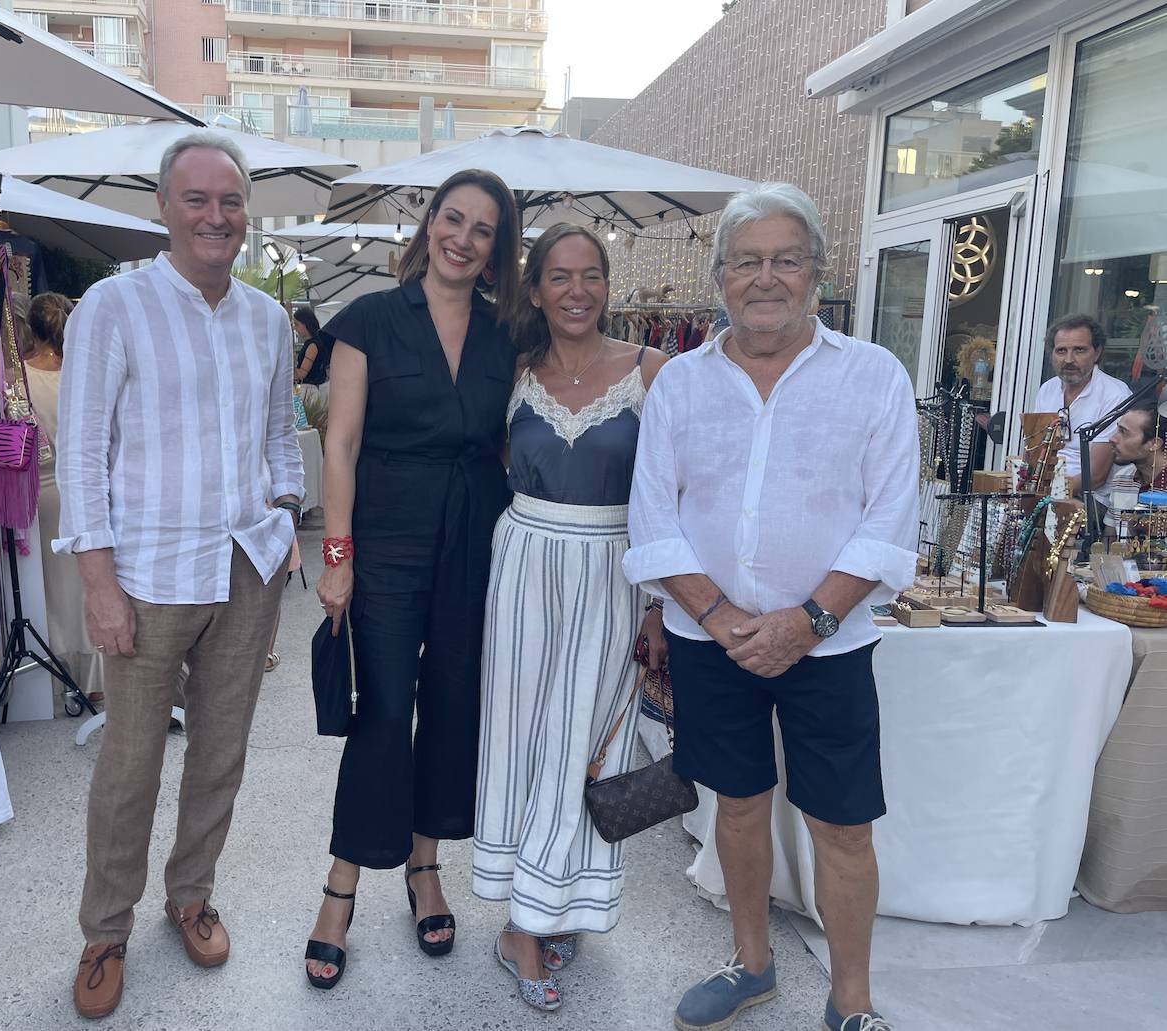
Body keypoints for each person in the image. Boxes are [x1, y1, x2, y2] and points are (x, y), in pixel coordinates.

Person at [624, 182, 918, 1031]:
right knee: (739, 807)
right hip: (710, 641)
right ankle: (752, 964)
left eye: (786, 260)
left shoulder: (873, 377)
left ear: (816, 275)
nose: (766, 277)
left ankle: (851, 1001)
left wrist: (806, 621)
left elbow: (890, 516)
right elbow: (654, 515)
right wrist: (722, 620)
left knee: (843, 823)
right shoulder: (679, 382)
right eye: (747, 261)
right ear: (720, 277)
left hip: (828, 645)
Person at [55, 131, 304, 1020]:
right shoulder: (113, 307)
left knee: (221, 751)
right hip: (149, 570)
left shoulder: (268, 319)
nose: (216, 215)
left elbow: (281, 432)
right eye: (196, 199)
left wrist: (285, 513)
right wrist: (97, 581)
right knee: (127, 765)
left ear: (246, 216)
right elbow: (80, 450)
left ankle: (191, 893)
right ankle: (105, 929)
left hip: (245, 565)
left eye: (230, 201)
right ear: (162, 207)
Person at [304, 169, 523, 991]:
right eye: (452, 219)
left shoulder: (510, 332)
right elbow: (340, 445)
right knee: (386, 707)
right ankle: (342, 884)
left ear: (498, 250)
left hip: (478, 531)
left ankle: (426, 865)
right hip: (388, 532)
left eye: (482, 230)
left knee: (455, 699)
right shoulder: (368, 317)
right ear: (429, 224)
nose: (462, 238)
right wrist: (338, 555)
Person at [472, 223, 668, 1012]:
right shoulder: (514, 371)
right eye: (560, 276)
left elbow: (671, 494)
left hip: (614, 568)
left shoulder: (655, 369)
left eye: (591, 275)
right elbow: (487, 464)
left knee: (590, 744)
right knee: (525, 739)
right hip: (523, 566)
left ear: (608, 284)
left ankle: (557, 898)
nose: (577, 290)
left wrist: (659, 601)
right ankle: (522, 922)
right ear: (536, 289)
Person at [25, 292, 106, 709]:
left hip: (36, 494)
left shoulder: (18, 379)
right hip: (83, 489)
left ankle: (53, 682)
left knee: (49, 593)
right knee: (85, 588)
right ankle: (95, 679)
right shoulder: (85, 373)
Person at [1031, 314, 1130, 506]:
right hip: (1046, 490)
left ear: (1097, 352)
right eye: (1061, 351)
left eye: (1079, 350)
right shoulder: (1047, 390)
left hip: (1090, 498)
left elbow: (1095, 477)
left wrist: (1043, 494)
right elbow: (1037, 450)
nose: (1069, 359)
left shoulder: (1115, 395)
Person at [1109, 401, 1167, 490]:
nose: (1112, 439)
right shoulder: (1121, 479)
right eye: (1118, 430)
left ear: (1154, 444)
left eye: (1124, 433)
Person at [292, 305, 332, 406]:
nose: (295, 328)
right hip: (309, 390)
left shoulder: (312, 346)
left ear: (305, 324)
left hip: (307, 391)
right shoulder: (314, 343)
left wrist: (289, 366)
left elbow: (302, 374)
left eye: (297, 325)